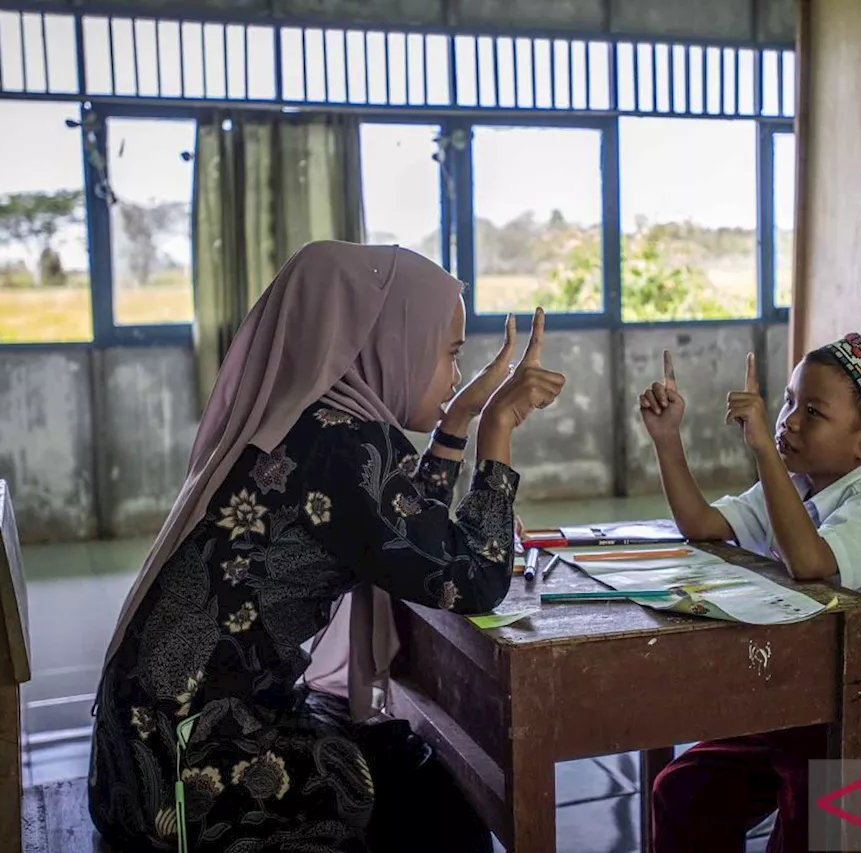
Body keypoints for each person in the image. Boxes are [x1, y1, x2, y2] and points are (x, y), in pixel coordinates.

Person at [88, 241, 566, 852]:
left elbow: (406, 532)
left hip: (141, 752)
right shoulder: (345, 445)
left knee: (412, 764)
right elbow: (472, 578)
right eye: (449, 354)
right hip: (184, 781)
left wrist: (457, 425)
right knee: (433, 801)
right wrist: (498, 429)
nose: (453, 375)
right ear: (390, 343)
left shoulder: (308, 421)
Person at [638, 333, 861, 853]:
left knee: (813, 839)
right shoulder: (794, 485)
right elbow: (702, 523)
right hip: (801, 701)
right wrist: (668, 439)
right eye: (789, 401)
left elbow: (810, 562)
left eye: (813, 412)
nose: (788, 420)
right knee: (683, 792)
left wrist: (763, 454)